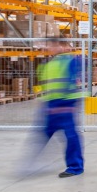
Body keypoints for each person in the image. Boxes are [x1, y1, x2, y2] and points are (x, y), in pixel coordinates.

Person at [33, 39, 85, 177]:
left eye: (55, 46)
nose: (51, 48)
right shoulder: (47, 65)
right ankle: (28, 164)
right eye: (50, 46)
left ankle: (75, 167)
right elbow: (45, 85)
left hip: (65, 104)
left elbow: (73, 81)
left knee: (71, 136)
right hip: (51, 105)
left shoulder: (70, 61)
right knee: (44, 134)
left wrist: (70, 104)